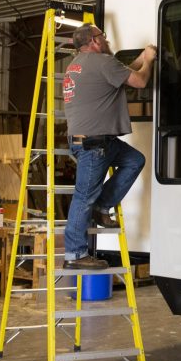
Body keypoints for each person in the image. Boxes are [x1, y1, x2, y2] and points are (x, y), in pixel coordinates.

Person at [61, 24, 157, 270]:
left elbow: (122, 72)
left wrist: (140, 59)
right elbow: (139, 80)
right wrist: (149, 60)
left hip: (95, 141)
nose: (106, 39)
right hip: (95, 145)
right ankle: (74, 254)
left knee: (134, 160)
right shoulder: (103, 62)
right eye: (102, 36)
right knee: (83, 197)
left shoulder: (77, 65)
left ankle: (102, 206)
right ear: (94, 40)